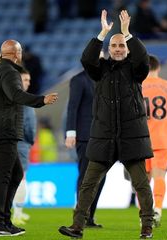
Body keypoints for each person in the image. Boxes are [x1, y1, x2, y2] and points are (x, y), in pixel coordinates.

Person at [58, 10, 154, 239]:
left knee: (141, 185)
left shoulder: (135, 70)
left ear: (127, 48)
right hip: (103, 137)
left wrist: (127, 33)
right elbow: (86, 59)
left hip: (131, 137)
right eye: (114, 46)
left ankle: (147, 227)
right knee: (88, 185)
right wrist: (102, 33)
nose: (118, 49)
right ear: (109, 49)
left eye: (122, 46)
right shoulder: (99, 71)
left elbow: (143, 59)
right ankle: (77, 227)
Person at [0, 39, 58, 237]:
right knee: (3, 178)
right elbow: (16, 95)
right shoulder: (10, 72)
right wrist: (42, 100)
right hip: (4, 132)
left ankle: (4, 220)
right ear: (17, 54)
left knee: (14, 175)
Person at [142, 55, 167, 227]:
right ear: (158, 68)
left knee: (143, 181)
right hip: (163, 138)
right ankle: (157, 209)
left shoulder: (137, 85)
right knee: (160, 177)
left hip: (141, 140)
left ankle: (144, 214)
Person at [65, 69, 106, 228]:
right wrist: (70, 132)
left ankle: (90, 217)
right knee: (86, 177)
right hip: (85, 135)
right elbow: (72, 107)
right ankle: (80, 218)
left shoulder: (105, 78)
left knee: (101, 177)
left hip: (104, 135)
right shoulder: (79, 79)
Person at [11, 68, 37, 225]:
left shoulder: (7, 97)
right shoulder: (25, 99)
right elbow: (29, 125)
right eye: (25, 79)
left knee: (0, 179)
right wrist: (30, 141)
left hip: (5, 143)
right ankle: (18, 214)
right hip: (21, 143)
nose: (28, 83)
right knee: (21, 178)